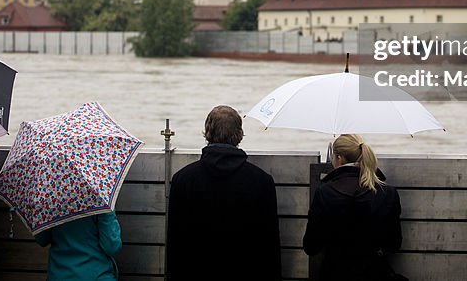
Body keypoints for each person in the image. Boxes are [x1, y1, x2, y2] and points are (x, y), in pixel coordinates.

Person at [166, 105, 281, 281]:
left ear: (206, 132)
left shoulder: (183, 180)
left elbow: (176, 243)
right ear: (239, 134)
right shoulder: (261, 181)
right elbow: (268, 244)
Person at [302, 134, 403, 281]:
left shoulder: (325, 193)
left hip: (334, 275)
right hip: (375, 275)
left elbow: (311, 246)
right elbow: (394, 243)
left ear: (340, 158)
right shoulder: (387, 192)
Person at [34, 211, 122, 280]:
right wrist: (109, 213)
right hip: (97, 275)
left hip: (59, 275)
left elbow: (42, 239)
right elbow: (112, 247)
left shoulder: (49, 199)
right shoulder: (100, 200)